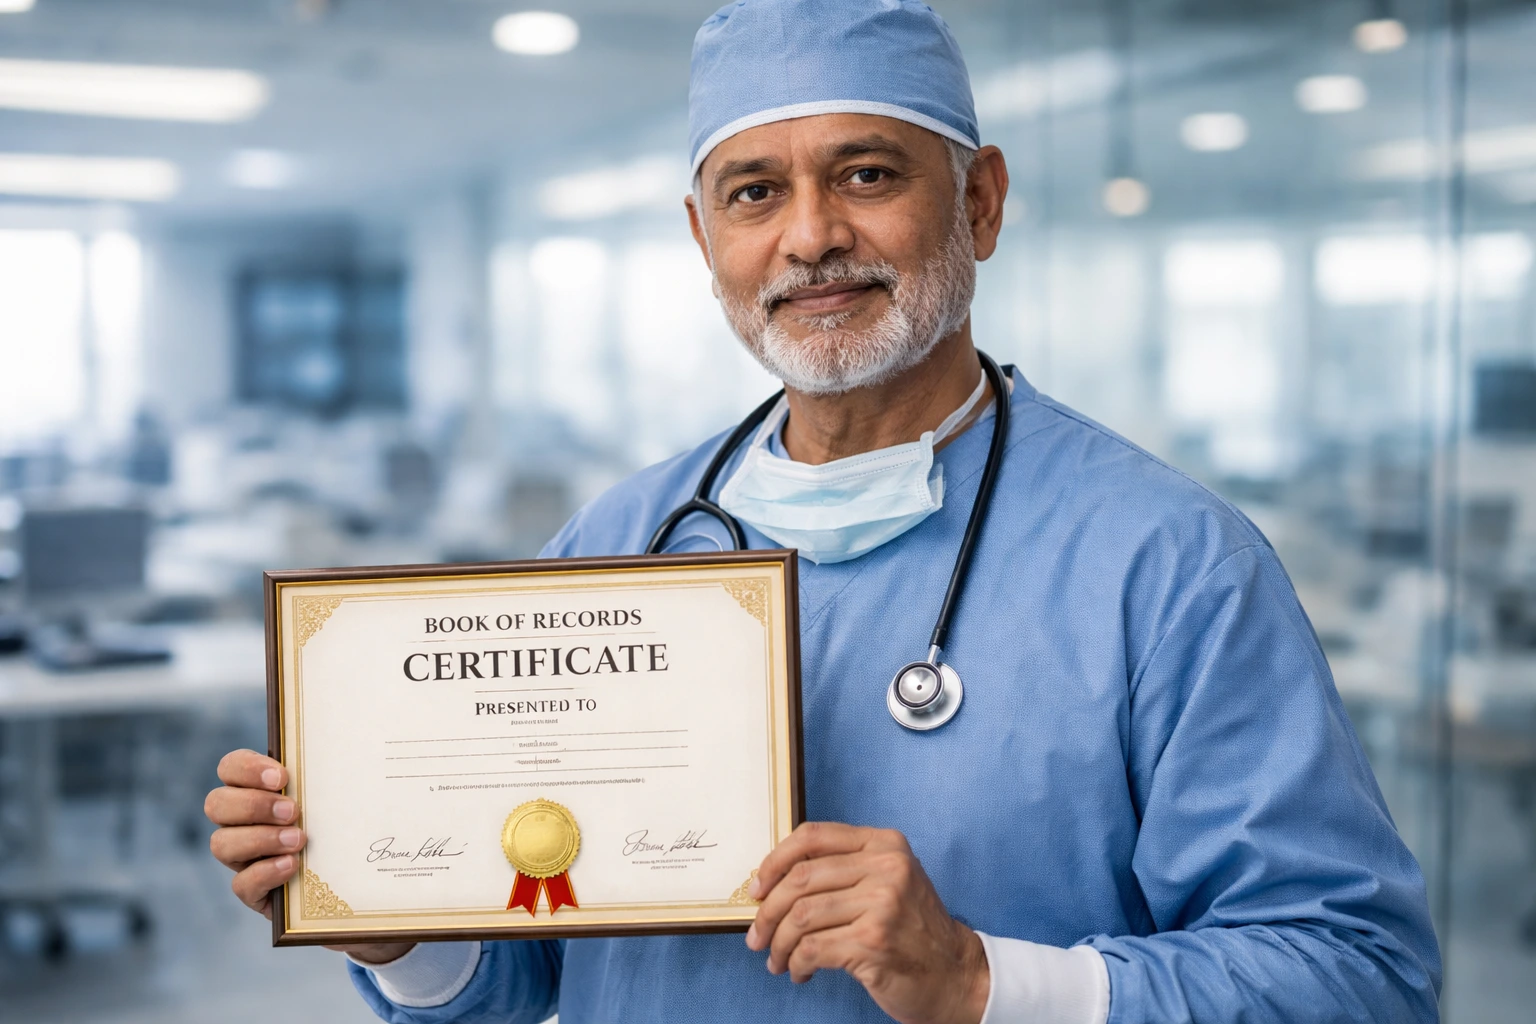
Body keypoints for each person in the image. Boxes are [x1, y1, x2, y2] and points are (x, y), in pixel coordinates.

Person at [204, 2, 1441, 1021]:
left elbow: (1362, 976)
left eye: (866, 173)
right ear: (705, 239)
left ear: (981, 205)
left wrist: (984, 979)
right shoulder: (612, 544)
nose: (811, 237)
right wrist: (369, 909)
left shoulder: (1170, 564)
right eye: (753, 192)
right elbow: (521, 972)